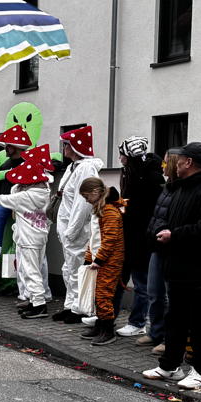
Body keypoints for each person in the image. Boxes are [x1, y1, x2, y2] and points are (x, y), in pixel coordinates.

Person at [143, 141, 201, 390]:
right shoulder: (182, 187)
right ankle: (169, 366)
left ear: (189, 162)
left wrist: (174, 235)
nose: (174, 164)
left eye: (178, 160)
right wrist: (162, 232)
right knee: (176, 318)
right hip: (178, 265)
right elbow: (168, 218)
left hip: (200, 269)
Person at [0, 144, 54, 318]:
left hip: (30, 238)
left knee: (31, 270)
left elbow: (2, 198)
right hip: (30, 236)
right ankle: (34, 300)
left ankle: (39, 305)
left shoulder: (32, 195)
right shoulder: (37, 190)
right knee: (29, 269)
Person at [114, 137, 164, 339]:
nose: (119, 158)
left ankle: (138, 322)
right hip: (129, 234)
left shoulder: (149, 178)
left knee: (141, 281)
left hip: (141, 238)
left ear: (130, 156)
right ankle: (107, 315)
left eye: (122, 154)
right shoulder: (131, 173)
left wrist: (127, 209)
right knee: (119, 278)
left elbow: (144, 209)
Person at [52, 125, 103, 324]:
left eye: (67, 144)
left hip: (77, 231)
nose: (64, 148)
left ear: (75, 146)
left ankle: (80, 308)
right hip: (68, 230)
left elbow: (82, 203)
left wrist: (71, 231)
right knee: (69, 269)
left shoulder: (86, 168)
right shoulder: (74, 167)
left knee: (76, 269)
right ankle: (71, 304)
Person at [76, 177, 125, 345]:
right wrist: (89, 258)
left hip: (110, 261)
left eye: (86, 196)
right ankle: (101, 325)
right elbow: (95, 238)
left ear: (96, 193)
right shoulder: (100, 209)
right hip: (101, 260)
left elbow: (110, 239)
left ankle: (107, 330)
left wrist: (100, 259)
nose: (86, 200)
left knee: (104, 295)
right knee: (98, 295)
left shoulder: (109, 211)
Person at [143, 148, 183, 351]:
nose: (162, 165)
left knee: (169, 295)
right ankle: (155, 332)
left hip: (170, 248)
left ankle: (169, 339)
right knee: (154, 292)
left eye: (166, 162)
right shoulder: (166, 187)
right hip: (156, 246)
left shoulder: (181, 189)